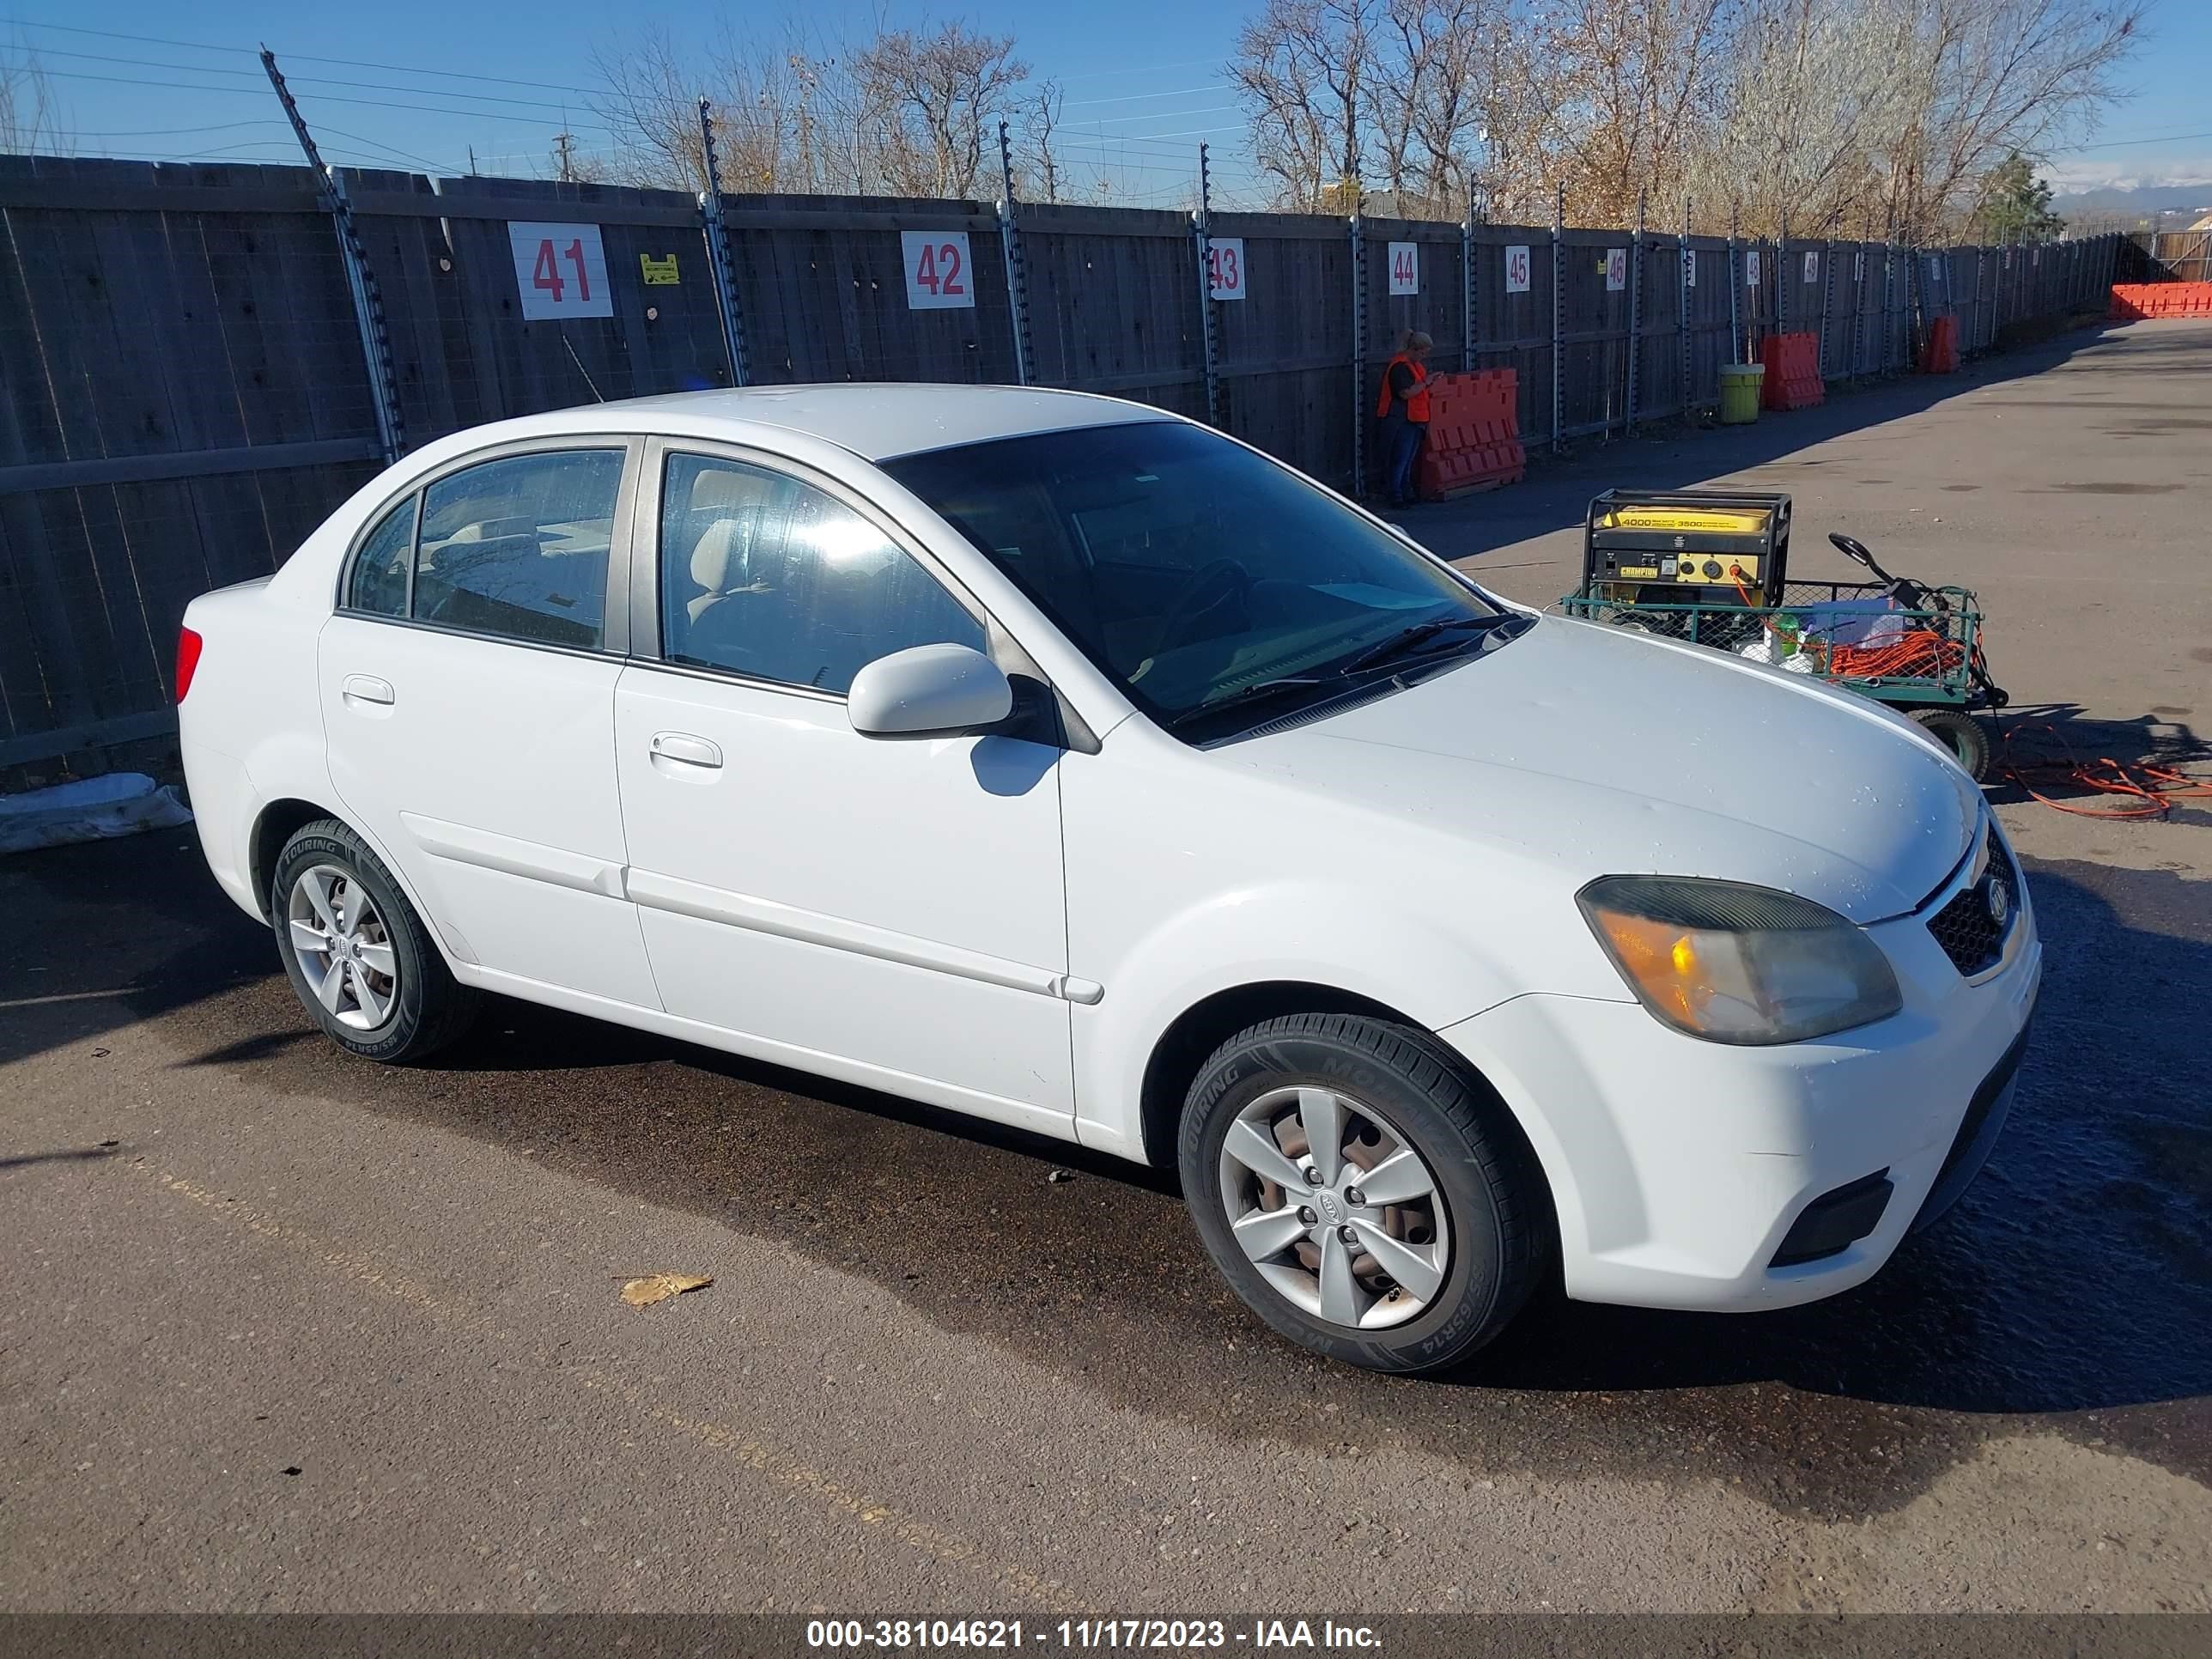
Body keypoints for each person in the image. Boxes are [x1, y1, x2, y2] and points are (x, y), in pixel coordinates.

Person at [1375, 330, 1433, 507]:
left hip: (1413, 418)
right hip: (1401, 418)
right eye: (1423, 352)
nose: (1424, 356)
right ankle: (1395, 494)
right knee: (1400, 458)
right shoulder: (1399, 367)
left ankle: (1405, 491)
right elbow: (1405, 393)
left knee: (1407, 458)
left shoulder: (1411, 366)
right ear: (1414, 349)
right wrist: (1426, 383)